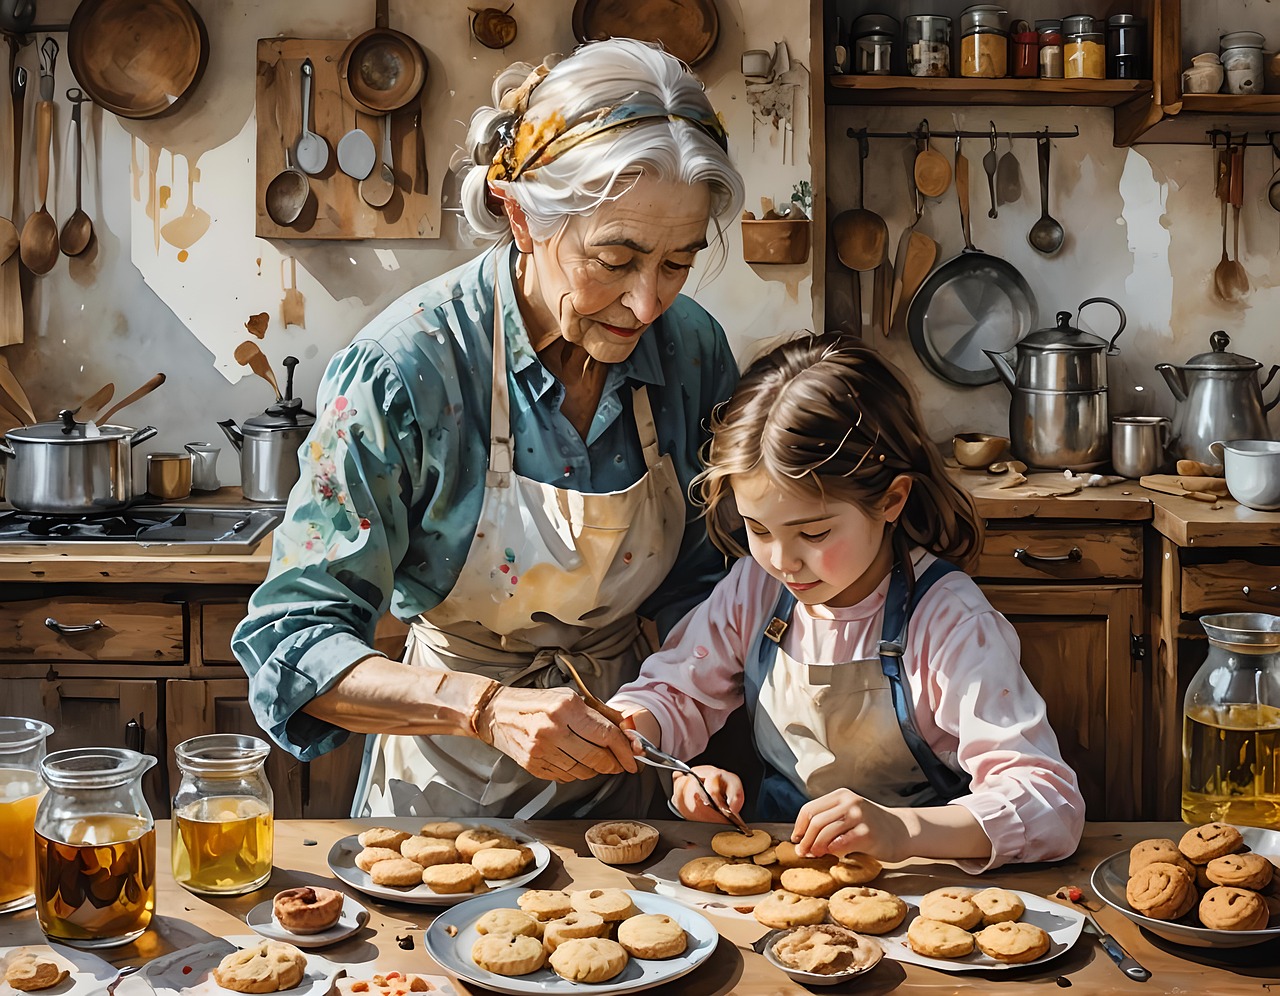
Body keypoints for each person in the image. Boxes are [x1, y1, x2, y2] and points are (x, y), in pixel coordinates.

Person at [232, 38, 746, 820]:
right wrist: (484, 708)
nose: (647, 305)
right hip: (443, 793)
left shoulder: (693, 352)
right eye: (616, 257)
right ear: (521, 214)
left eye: (677, 263)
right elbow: (292, 643)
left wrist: (679, 720)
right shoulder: (404, 372)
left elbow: (709, 593)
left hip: (632, 779)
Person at [608, 334, 1085, 871]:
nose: (782, 561)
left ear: (891, 500)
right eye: (758, 528)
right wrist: (646, 738)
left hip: (920, 881)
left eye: (812, 533)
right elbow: (675, 693)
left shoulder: (949, 618)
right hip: (782, 876)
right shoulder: (755, 589)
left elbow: (1051, 804)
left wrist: (903, 830)